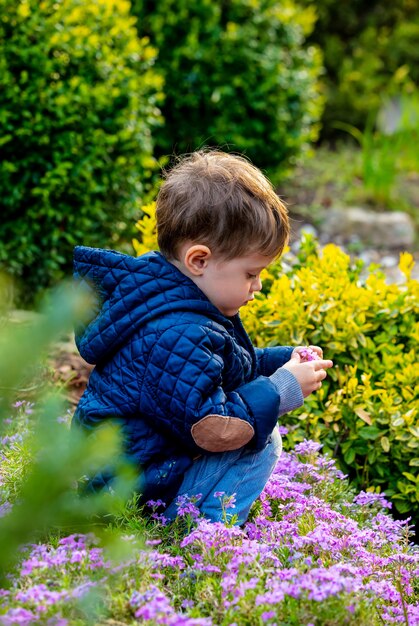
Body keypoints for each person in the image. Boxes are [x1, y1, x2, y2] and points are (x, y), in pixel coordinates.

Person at [72, 149, 333, 525]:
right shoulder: (177, 331)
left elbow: (221, 368)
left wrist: (285, 359)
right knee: (262, 442)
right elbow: (212, 427)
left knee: (257, 425)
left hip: (130, 476)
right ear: (199, 260)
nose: (258, 285)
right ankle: (207, 536)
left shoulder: (170, 300)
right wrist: (281, 390)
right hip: (130, 498)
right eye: (250, 273)